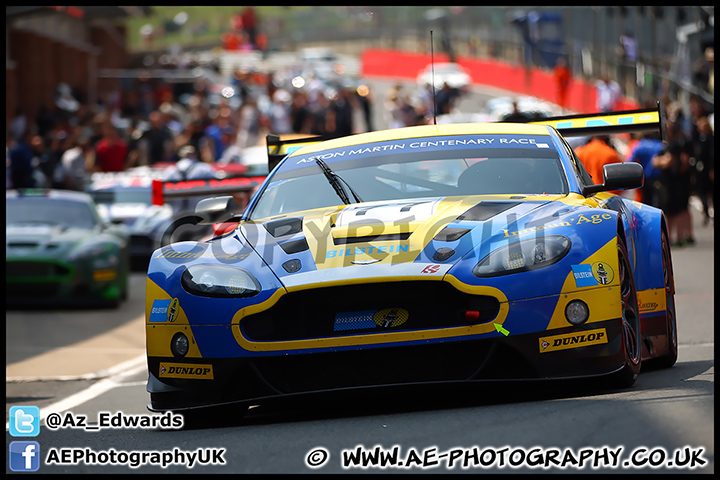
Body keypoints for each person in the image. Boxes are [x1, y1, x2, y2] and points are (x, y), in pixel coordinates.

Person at [629, 131, 664, 207]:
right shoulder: (659, 145)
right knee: (656, 203)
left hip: (643, 179)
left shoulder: (638, 145)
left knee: (644, 203)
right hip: (657, 179)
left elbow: (630, 161)